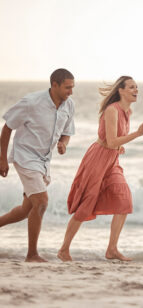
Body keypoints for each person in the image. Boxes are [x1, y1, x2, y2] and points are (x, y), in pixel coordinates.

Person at [57, 76, 143, 262]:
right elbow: (110, 140)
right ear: (121, 91)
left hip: (112, 160)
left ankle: (112, 249)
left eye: (137, 87)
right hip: (98, 159)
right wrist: (137, 134)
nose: (136, 90)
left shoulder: (128, 112)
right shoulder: (112, 110)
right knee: (86, 204)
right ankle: (63, 250)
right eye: (132, 87)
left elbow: (116, 140)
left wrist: (119, 147)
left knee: (124, 200)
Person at [0, 68, 75, 262]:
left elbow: (67, 132)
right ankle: (32, 254)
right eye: (67, 87)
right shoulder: (31, 102)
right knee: (41, 202)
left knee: (27, 210)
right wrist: (1, 158)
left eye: (72, 87)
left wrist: (63, 144)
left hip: (44, 161)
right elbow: (7, 127)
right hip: (25, 157)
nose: (71, 92)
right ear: (55, 85)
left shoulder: (69, 105)